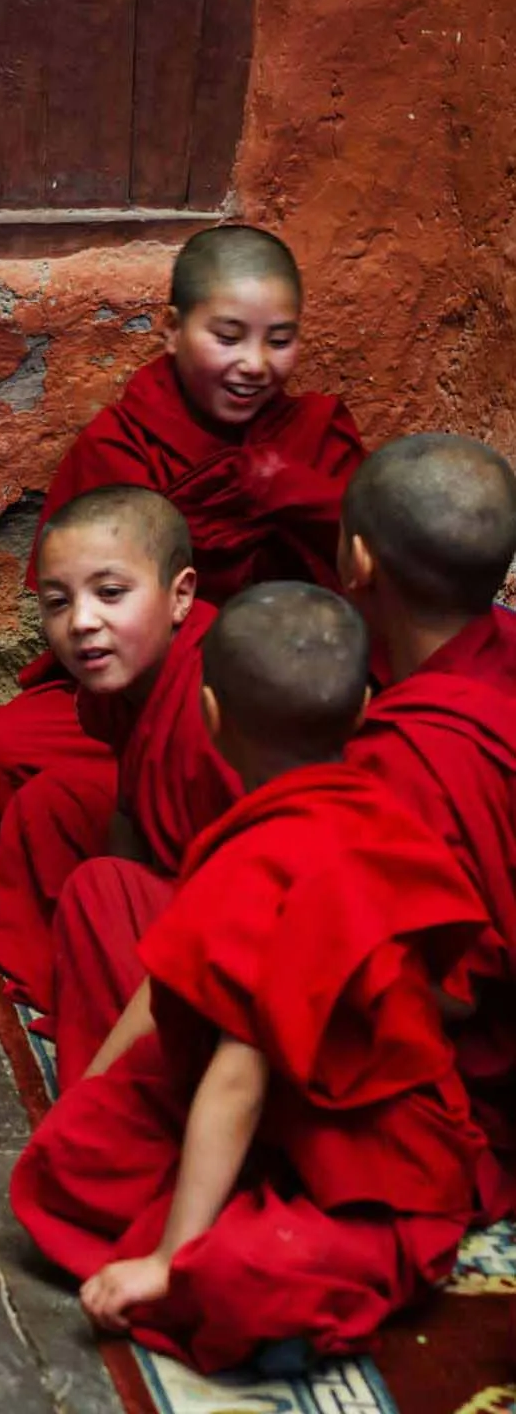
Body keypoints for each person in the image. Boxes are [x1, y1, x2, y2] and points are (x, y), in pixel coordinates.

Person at [11, 584, 487, 1373]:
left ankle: (237, 1279)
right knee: (73, 1154)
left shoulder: (256, 861)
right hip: (340, 1121)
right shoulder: (389, 819)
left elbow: (236, 1081)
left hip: (365, 1166)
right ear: (365, 709)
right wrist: (90, 1095)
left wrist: (169, 1259)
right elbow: (445, 989)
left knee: (223, 1274)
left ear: (208, 716)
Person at [0, 225, 364, 834]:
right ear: (173, 329)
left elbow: (367, 575)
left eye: (279, 340)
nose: (254, 365)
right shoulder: (120, 444)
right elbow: (89, 600)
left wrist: (293, 492)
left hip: (285, 687)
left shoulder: (316, 437)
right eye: (228, 337)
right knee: (0, 753)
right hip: (139, 694)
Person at [337, 433, 516, 1216]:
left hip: (483, 1085)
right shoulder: (499, 655)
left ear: (357, 565)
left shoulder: (409, 754)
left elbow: (443, 999)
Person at [0, 487, 237, 1015]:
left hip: (244, 927)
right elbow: (129, 801)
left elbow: (259, 889)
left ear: (181, 595)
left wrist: (115, 903)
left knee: (100, 888)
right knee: (50, 802)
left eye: (112, 593)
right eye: (57, 602)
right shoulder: (129, 685)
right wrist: (115, 910)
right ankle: (77, 971)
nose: (80, 622)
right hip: (180, 882)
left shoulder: (220, 697)